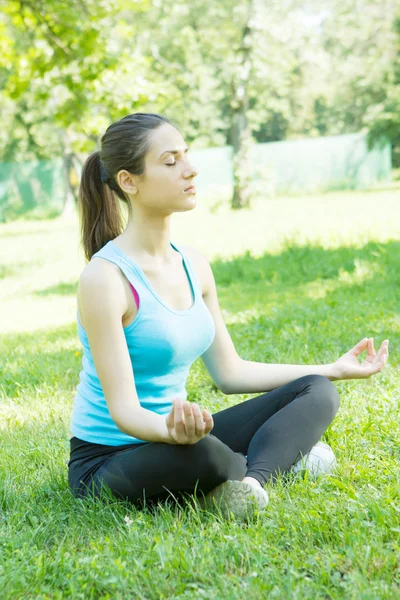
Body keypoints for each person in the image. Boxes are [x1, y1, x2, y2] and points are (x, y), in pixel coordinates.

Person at [67, 112, 390, 520]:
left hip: (181, 436)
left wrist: (333, 369)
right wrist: (174, 433)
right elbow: (125, 411)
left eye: (187, 155)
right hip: (109, 458)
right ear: (129, 181)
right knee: (207, 454)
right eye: (171, 161)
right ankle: (274, 462)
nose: (190, 169)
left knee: (317, 390)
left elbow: (229, 373)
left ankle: (251, 486)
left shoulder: (194, 265)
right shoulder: (105, 278)